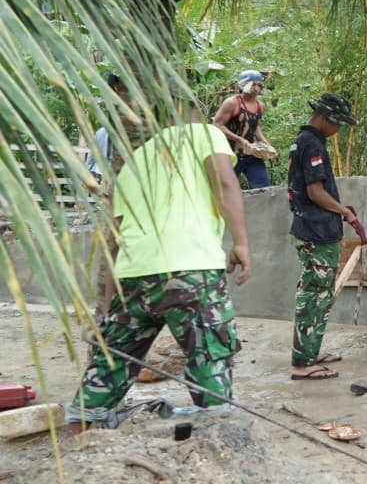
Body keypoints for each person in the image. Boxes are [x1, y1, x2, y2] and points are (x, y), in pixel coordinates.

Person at [67, 108, 252, 426]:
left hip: (133, 274)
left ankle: (80, 433)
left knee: (112, 362)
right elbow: (224, 181)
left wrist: (113, 306)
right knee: (211, 361)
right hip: (190, 268)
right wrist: (242, 243)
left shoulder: (134, 162)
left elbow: (115, 239)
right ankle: (220, 438)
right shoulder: (203, 133)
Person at [287, 92, 366, 380]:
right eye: (337, 124)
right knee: (313, 295)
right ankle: (302, 364)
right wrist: (344, 211)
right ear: (325, 118)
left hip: (314, 228)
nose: (338, 130)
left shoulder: (307, 141)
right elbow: (315, 191)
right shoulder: (311, 144)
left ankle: (310, 352)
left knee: (320, 294)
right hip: (316, 231)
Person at [213, 70, 271, 189]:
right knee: (225, 189)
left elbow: (255, 127)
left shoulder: (260, 105)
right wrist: (239, 139)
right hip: (229, 154)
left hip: (251, 153)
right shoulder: (232, 103)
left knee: (263, 187)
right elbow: (217, 124)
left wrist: (265, 143)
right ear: (244, 84)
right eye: (253, 84)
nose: (256, 88)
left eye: (259, 85)